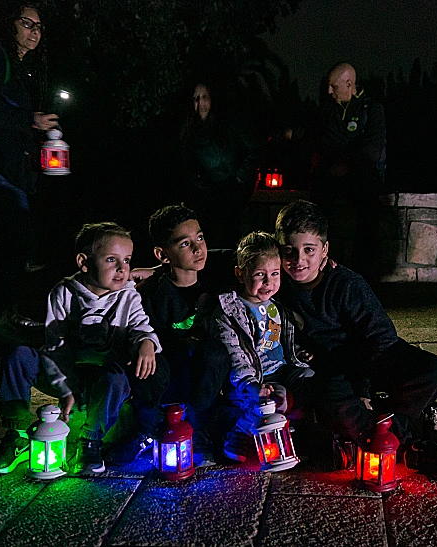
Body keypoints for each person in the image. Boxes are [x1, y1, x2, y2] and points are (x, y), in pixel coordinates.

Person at [0, 222, 163, 476]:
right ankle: (19, 435)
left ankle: (90, 440)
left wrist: (146, 342)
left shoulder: (128, 296)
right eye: (112, 260)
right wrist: (65, 388)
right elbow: (55, 347)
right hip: (66, 372)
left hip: (102, 381)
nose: (123, 269)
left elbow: (140, 326)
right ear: (84, 262)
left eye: (127, 260)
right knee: (18, 357)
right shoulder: (63, 293)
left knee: (117, 377)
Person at [274, 200, 437, 449]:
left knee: (431, 370)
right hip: (329, 373)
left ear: (325, 250)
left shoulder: (347, 284)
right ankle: (381, 437)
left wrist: (362, 388)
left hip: (367, 362)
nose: (299, 260)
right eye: (289, 251)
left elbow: (382, 337)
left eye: (309, 250)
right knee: (327, 394)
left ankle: (388, 431)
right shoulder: (274, 282)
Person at [0, 2, 59, 328]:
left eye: (38, 26)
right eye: (27, 23)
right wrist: (29, 119)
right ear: (12, 26)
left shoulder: (22, 69)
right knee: (17, 238)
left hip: (13, 170)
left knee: (20, 241)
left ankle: (8, 313)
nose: (34, 30)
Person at [129, 204, 233, 466]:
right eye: (184, 244)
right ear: (163, 254)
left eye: (199, 237)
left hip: (202, 377)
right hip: (168, 374)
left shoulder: (215, 275)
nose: (198, 248)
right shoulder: (151, 293)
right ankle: (147, 429)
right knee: (147, 360)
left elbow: (254, 254)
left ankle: (202, 427)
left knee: (216, 353)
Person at [210, 232, 315, 462]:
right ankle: (238, 435)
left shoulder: (276, 306)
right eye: (260, 275)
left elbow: (278, 339)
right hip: (253, 377)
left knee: (310, 379)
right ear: (240, 274)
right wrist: (249, 384)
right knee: (268, 399)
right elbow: (235, 353)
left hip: (282, 369)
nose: (269, 283)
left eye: (275, 274)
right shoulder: (230, 312)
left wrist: (298, 353)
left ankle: (292, 430)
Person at [309, 62, 386, 284]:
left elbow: (373, 148)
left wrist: (348, 165)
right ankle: (319, 267)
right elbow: (320, 139)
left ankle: (362, 275)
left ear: (349, 84)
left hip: (361, 177)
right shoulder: (328, 110)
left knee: (369, 213)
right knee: (317, 213)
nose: (329, 92)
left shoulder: (371, 110)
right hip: (332, 177)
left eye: (334, 86)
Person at [179, 82, 260, 249]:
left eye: (204, 97)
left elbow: (254, 148)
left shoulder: (230, 123)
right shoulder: (191, 131)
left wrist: (241, 176)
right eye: (196, 99)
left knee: (232, 230)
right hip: (210, 190)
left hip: (235, 186)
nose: (200, 103)